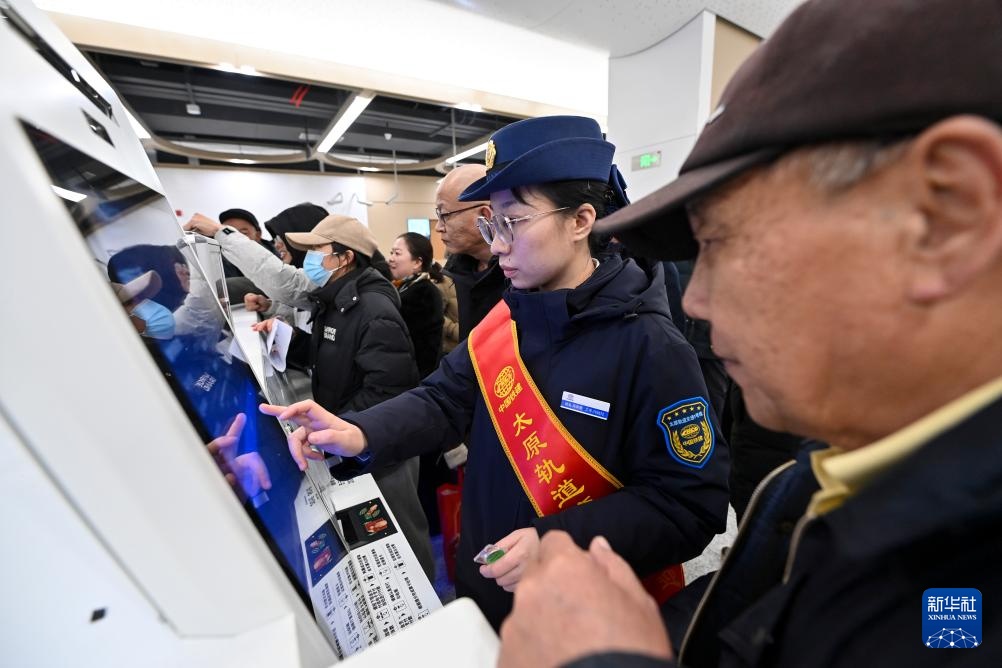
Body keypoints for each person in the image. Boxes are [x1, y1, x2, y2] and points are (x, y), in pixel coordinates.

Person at [498, 0, 1002, 666]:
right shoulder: (832, 476)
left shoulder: (959, 585)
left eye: (720, 240)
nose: (696, 300)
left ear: (946, 217)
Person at [261, 115, 729, 629]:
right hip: (486, 588)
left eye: (514, 222)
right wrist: (359, 431)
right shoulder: (508, 318)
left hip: (580, 618)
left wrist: (559, 542)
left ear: (581, 221)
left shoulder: (652, 348)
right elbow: (443, 399)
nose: (498, 244)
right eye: (491, 224)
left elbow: (687, 505)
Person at [281, 213, 435, 581]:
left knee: (401, 536)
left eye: (317, 251)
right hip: (352, 439)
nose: (308, 260)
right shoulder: (335, 302)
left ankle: (430, 606)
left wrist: (338, 428)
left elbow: (389, 389)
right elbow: (334, 359)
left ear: (345, 257)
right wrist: (288, 339)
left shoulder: (373, 309)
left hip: (381, 446)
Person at [435, 164, 505, 340]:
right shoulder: (459, 272)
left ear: (485, 216)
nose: (438, 227)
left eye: (444, 215)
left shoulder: (523, 278)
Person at [387, 232, 445, 378]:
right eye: (391, 253)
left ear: (417, 263)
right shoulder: (403, 286)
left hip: (416, 375)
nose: (391, 258)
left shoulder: (424, 293)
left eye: (397, 253)